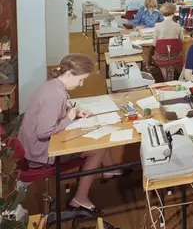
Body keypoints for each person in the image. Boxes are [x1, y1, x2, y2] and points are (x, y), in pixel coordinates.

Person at [18, 54, 119, 213]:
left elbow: (53, 110)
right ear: (70, 73)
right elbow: (44, 132)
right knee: (98, 148)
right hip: (40, 153)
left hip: (31, 147)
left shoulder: (52, 84)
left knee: (98, 135)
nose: (81, 84)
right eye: (81, 80)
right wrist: (70, 117)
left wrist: (74, 111)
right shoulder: (56, 94)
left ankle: (109, 170)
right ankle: (80, 198)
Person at [153, 2, 185, 81]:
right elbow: (182, 40)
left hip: (161, 57)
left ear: (161, 13)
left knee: (164, 67)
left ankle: (167, 79)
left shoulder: (157, 26)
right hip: (174, 56)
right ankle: (170, 79)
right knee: (171, 67)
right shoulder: (178, 26)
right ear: (174, 13)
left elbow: (154, 44)